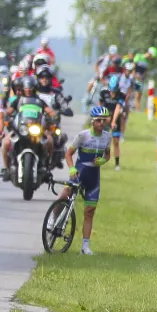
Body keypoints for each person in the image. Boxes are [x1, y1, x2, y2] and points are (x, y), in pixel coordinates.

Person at [58, 107, 113, 255]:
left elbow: (108, 155)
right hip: (79, 172)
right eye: (99, 120)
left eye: (105, 120)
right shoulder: (83, 135)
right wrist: (71, 168)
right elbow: (69, 154)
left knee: (89, 212)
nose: (102, 123)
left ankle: (85, 247)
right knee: (64, 195)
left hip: (94, 177)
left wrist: (102, 160)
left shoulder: (107, 137)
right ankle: (52, 220)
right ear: (93, 121)